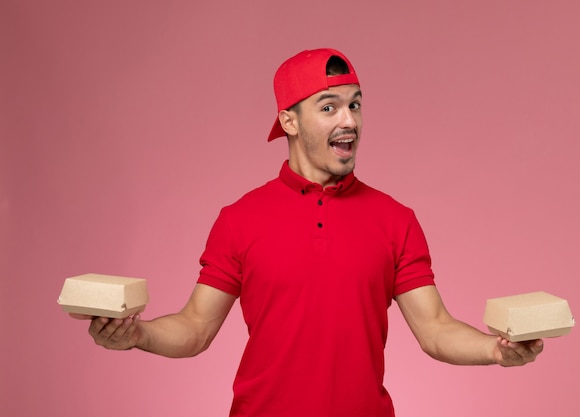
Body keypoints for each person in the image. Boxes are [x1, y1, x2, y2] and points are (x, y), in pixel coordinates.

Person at [71, 48, 543, 417]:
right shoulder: (239, 219)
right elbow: (195, 327)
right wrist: (137, 336)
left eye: (355, 105)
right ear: (289, 121)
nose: (350, 120)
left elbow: (436, 329)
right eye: (329, 106)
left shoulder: (396, 219)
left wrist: (494, 351)